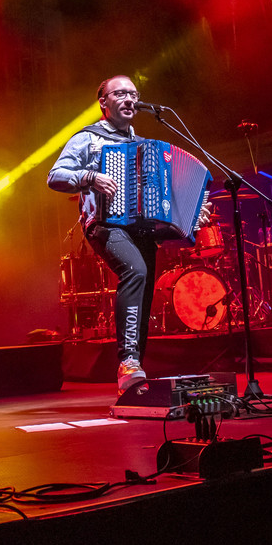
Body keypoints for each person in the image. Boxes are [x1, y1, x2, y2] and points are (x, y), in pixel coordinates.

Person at [48, 75, 208, 393]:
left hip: (142, 230)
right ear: (103, 103)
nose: (129, 99)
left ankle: (135, 372)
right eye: (120, 93)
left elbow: (165, 195)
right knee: (135, 271)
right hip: (104, 224)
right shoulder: (88, 138)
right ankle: (128, 362)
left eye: (133, 94)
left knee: (145, 287)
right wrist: (90, 177)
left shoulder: (144, 146)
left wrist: (192, 214)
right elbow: (55, 176)